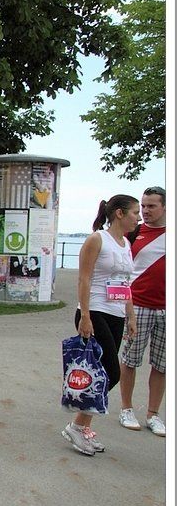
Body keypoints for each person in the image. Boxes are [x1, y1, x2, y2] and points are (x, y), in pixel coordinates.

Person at [61, 194, 138, 456]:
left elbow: (126, 283)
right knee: (110, 373)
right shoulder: (97, 239)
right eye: (135, 212)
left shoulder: (126, 243)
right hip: (95, 310)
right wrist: (85, 315)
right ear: (119, 213)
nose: (138, 218)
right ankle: (76, 426)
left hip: (116, 312)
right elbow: (84, 279)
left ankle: (83, 427)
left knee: (100, 373)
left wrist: (131, 315)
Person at [118, 187, 166, 436]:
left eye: (151, 206)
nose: (145, 211)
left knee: (162, 364)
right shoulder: (133, 232)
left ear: (165, 207)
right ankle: (126, 408)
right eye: (143, 206)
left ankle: (153, 413)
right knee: (130, 359)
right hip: (137, 306)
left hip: (166, 308)